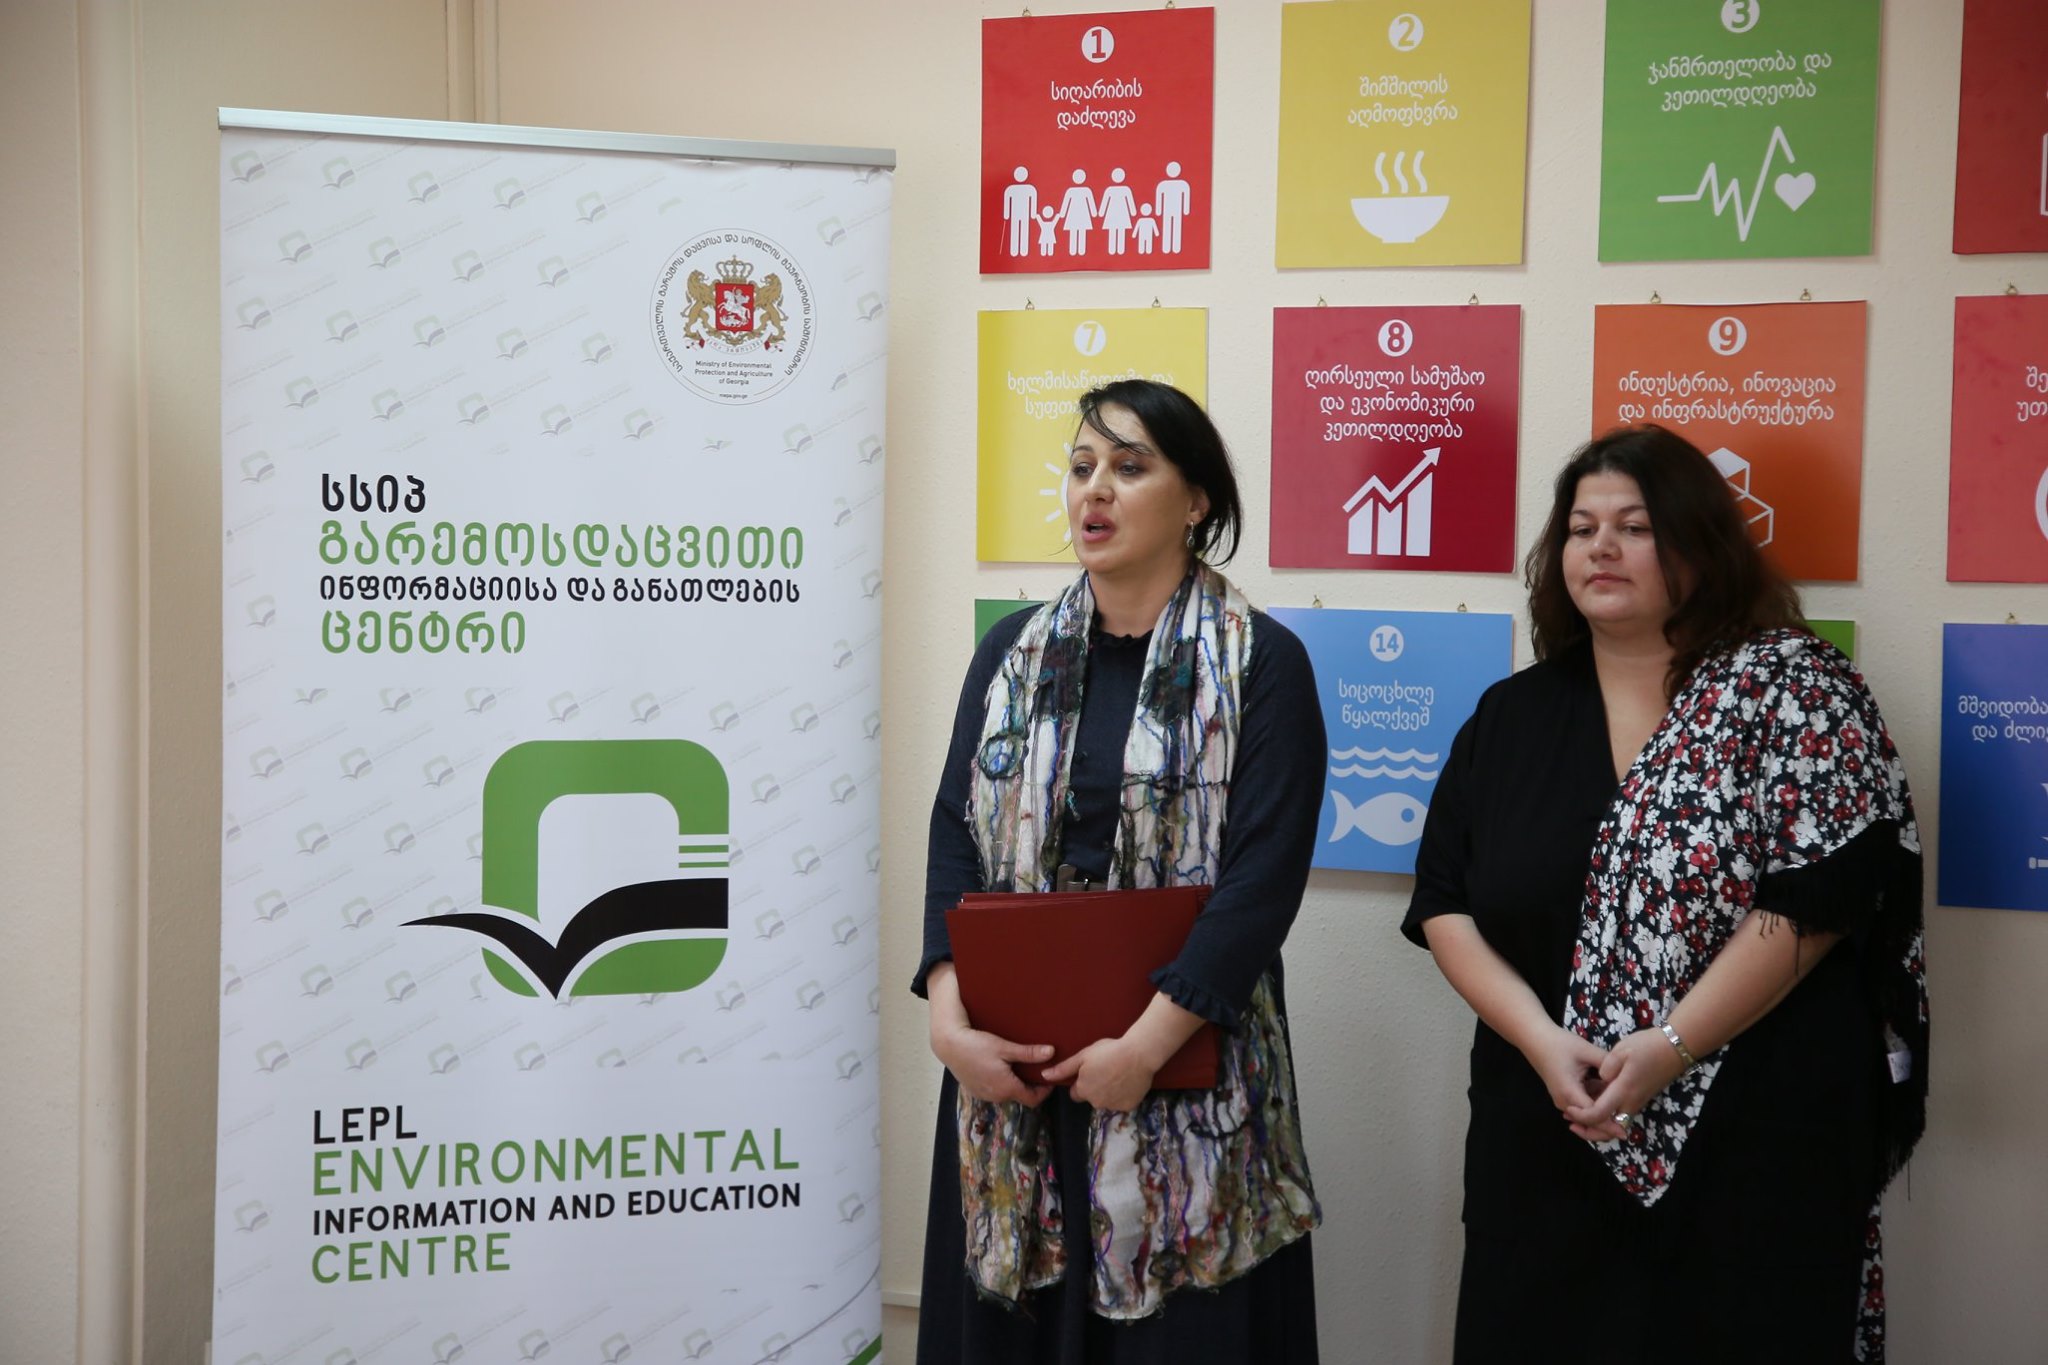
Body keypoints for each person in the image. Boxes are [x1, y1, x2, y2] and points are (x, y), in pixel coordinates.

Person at [1404, 425, 1928, 1363]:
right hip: (1550, 1125)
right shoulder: (1512, 715)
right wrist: (1543, 1042)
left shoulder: (1794, 690)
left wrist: (1674, 1046)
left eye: (1636, 526)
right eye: (1581, 528)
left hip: (1756, 1138)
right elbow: (1444, 903)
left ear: (1700, 543)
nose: (1600, 547)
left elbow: (1819, 897)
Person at [913, 380, 1325, 1363]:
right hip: (1014, 1084)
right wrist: (947, 1019)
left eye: (1129, 467)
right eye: (1081, 465)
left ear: (1196, 502)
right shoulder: (1010, 653)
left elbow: (1259, 885)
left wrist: (1142, 1050)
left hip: (1182, 1082)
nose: (1093, 489)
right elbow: (954, 834)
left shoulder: (1262, 663)